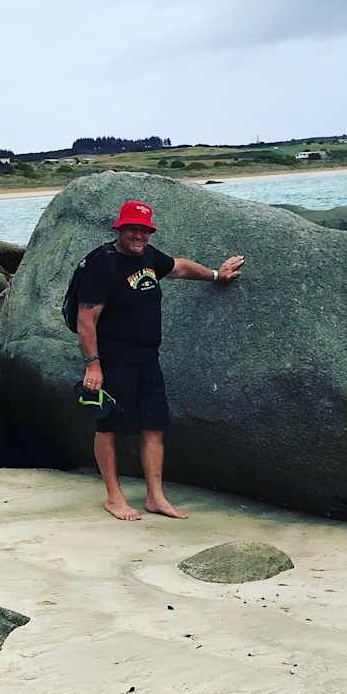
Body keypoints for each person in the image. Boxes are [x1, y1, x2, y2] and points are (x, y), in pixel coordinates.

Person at [76, 200, 244, 521]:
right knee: (109, 425)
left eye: (144, 229)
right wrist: (93, 365)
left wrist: (214, 275)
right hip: (113, 360)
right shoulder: (103, 264)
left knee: (154, 425)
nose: (138, 235)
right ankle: (114, 497)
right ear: (120, 229)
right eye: (132, 229)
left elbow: (178, 266)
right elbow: (86, 319)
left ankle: (155, 497)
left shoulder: (150, 257)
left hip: (147, 358)